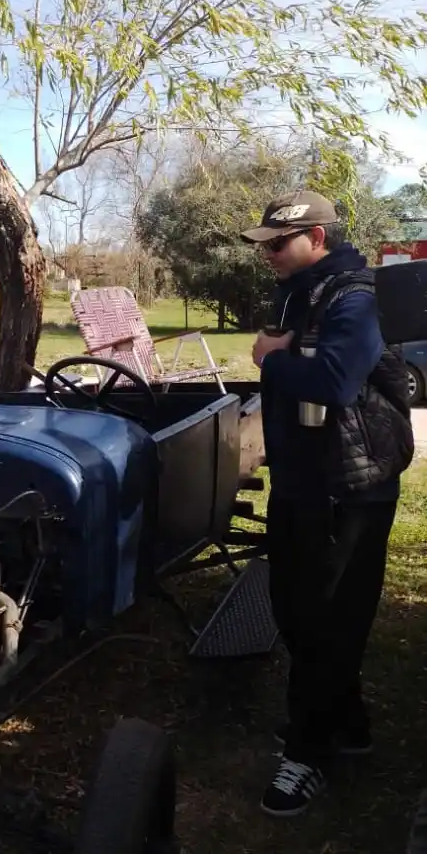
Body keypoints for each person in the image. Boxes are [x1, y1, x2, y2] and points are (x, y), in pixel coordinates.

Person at [242, 190, 414, 817]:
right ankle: (349, 725)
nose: (269, 257)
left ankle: (308, 755)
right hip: (305, 478)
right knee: (298, 611)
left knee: (323, 620)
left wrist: (272, 357)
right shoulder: (302, 291)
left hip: (350, 487)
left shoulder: (357, 296)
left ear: (316, 237)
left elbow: (337, 380)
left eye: (278, 245)